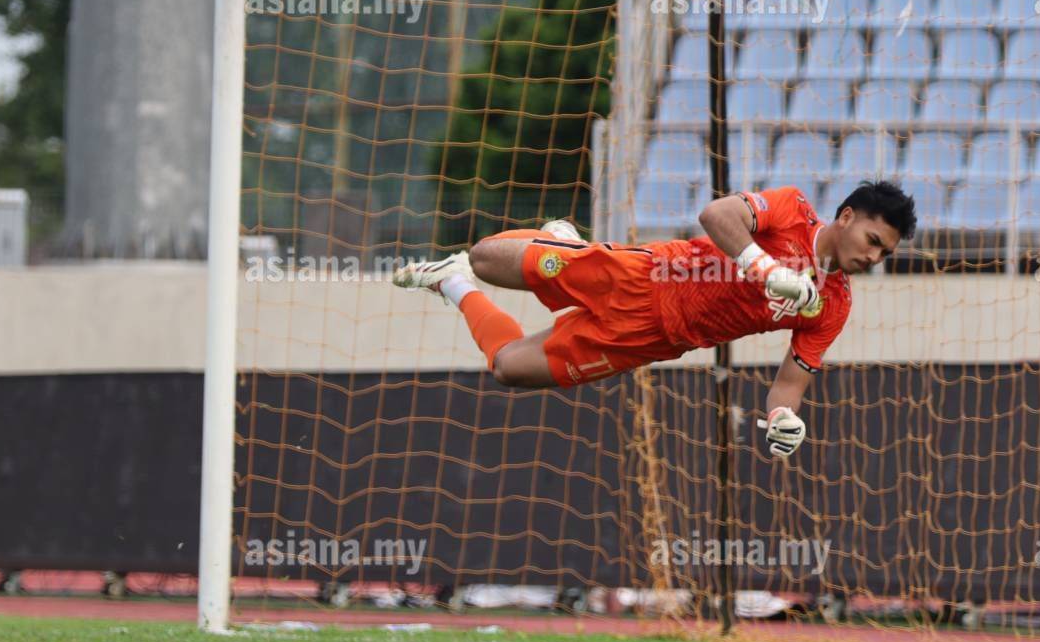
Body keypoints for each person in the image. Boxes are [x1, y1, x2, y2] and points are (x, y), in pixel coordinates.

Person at [393, 181, 917, 459]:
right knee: (487, 257)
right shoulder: (793, 209)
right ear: (846, 217)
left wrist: (784, 418)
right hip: (643, 278)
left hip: (654, 339)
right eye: (873, 241)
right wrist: (766, 269)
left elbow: (789, 384)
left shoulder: (834, 305)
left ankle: (451, 282)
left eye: (885, 254)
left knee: (509, 368)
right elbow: (716, 215)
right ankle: (560, 243)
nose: (874, 257)